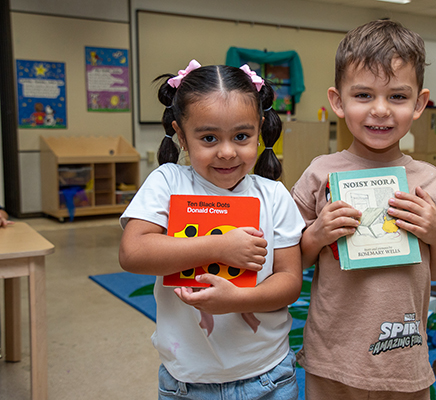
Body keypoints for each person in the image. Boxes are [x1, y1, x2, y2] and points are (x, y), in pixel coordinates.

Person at [290, 20, 436, 399]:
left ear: (419, 103)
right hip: (333, 353)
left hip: (403, 354)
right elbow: (290, 262)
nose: (381, 110)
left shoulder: (431, 182)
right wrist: (316, 236)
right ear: (338, 101)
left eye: (398, 97)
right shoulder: (319, 173)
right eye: (364, 95)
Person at [118, 60, 305, 399]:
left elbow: (290, 282)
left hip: (269, 376)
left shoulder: (273, 194)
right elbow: (133, 253)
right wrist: (219, 247)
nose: (227, 151)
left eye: (242, 136)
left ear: (260, 128)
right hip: (188, 381)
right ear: (182, 136)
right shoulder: (168, 182)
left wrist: (239, 299)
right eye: (208, 137)